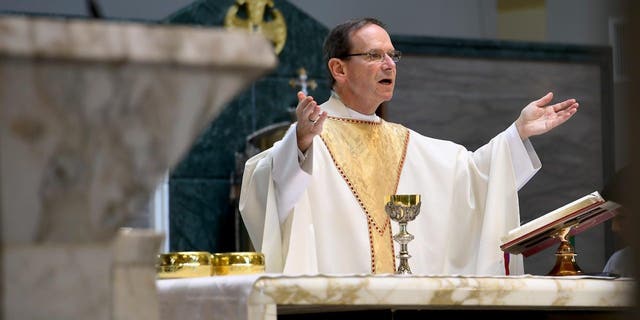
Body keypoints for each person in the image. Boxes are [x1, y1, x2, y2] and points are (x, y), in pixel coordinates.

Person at [239, 17, 579, 275]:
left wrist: (518, 134)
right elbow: (265, 185)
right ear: (338, 68)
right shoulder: (310, 138)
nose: (389, 65)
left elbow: (473, 177)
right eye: (374, 55)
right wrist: (298, 143)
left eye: (392, 55)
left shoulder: (405, 142)